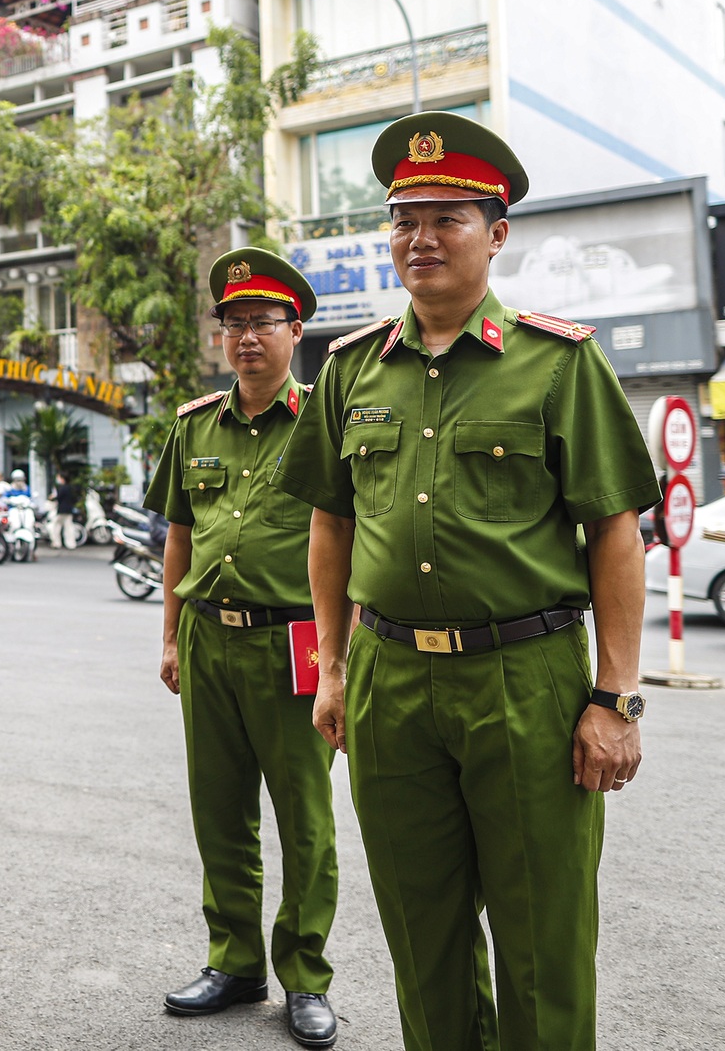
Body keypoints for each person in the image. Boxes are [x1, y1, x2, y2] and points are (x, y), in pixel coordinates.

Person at [272, 112, 657, 1051]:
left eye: (448, 217)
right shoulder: (350, 369)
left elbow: (615, 532)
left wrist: (616, 696)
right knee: (421, 931)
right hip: (391, 681)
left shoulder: (559, 361)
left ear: (497, 232)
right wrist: (332, 668)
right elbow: (330, 524)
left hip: (525, 680)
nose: (422, 238)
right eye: (405, 218)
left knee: (542, 937)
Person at [143, 250, 338, 1049]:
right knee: (220, 814)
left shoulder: (329, 422)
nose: (247, 336)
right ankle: (235, 963)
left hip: (294, 643)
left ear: (296, 331)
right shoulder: (194, 426)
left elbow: (351, 542)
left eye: (263, 322)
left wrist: (340, 656)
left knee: (305, 822)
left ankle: (305, 977)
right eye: (234, 323)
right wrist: (167, 637)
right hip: (208, 639)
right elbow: (178, 537)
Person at [53, 472, 79, 550]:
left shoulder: (62, 488)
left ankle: (57, 543)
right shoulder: (70, 488)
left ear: (62, 479)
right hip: (69, 510)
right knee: (69, 527)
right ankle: (71, 544)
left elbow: (58, 498)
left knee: (56, 526)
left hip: (61, 510)